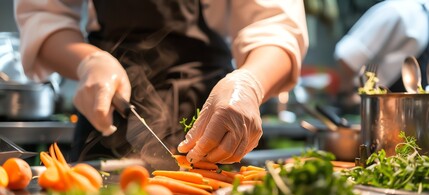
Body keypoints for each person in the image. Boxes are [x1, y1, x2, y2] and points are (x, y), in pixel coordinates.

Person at [14, 0, 308, 168]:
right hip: (110, 110)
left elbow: (276, 25)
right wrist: (87, 62)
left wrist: (250, 83)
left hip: (213, 112)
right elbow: (43, 17)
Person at [334, 0, 429, 111]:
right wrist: (348, 95)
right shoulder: (400, 12)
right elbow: (348, 57)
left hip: (399, 111)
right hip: (365, 106)